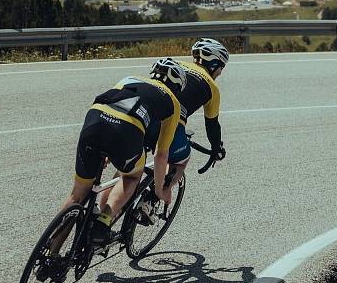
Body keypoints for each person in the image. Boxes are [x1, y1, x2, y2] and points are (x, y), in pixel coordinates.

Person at [63, 58, 187, 246]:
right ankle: (103, 222)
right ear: (177, 85)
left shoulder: (130, 78)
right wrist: (160, 190)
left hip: (95, 118)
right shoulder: (173, 102)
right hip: (127, 128)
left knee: (77, 195)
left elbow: (112, 109)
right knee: (130, 177)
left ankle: (51, 254)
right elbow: (161, 155)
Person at [143, 38, 228, 185]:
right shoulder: (212, 87)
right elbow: (212, 125)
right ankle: (157, 196)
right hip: (171, 123)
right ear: (214, 64)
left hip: (144, 112)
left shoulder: (177, 65)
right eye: (221, 67)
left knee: (129, 167)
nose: (220, 72)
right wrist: (216, 148)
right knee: (181, 161)